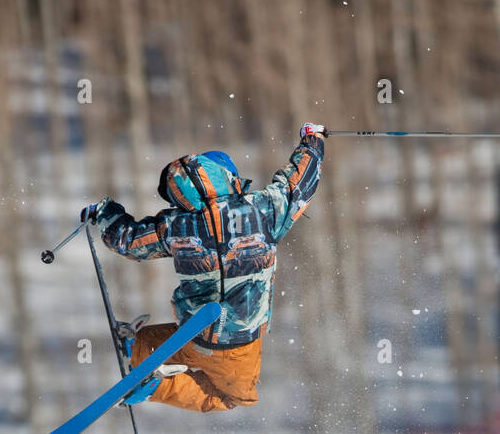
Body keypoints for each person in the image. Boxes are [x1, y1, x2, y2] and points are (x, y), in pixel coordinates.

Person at [90, 123, 326, 412]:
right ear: (229, 178)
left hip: (193, 337)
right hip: (238, 346)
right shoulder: (264, 211)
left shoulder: (175, 226)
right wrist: (312, 142)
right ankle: (157, 386)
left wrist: (103, 213)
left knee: (152, 342)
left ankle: (137, 349)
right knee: (234, 399)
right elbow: (297, 185)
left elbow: (128, 240)